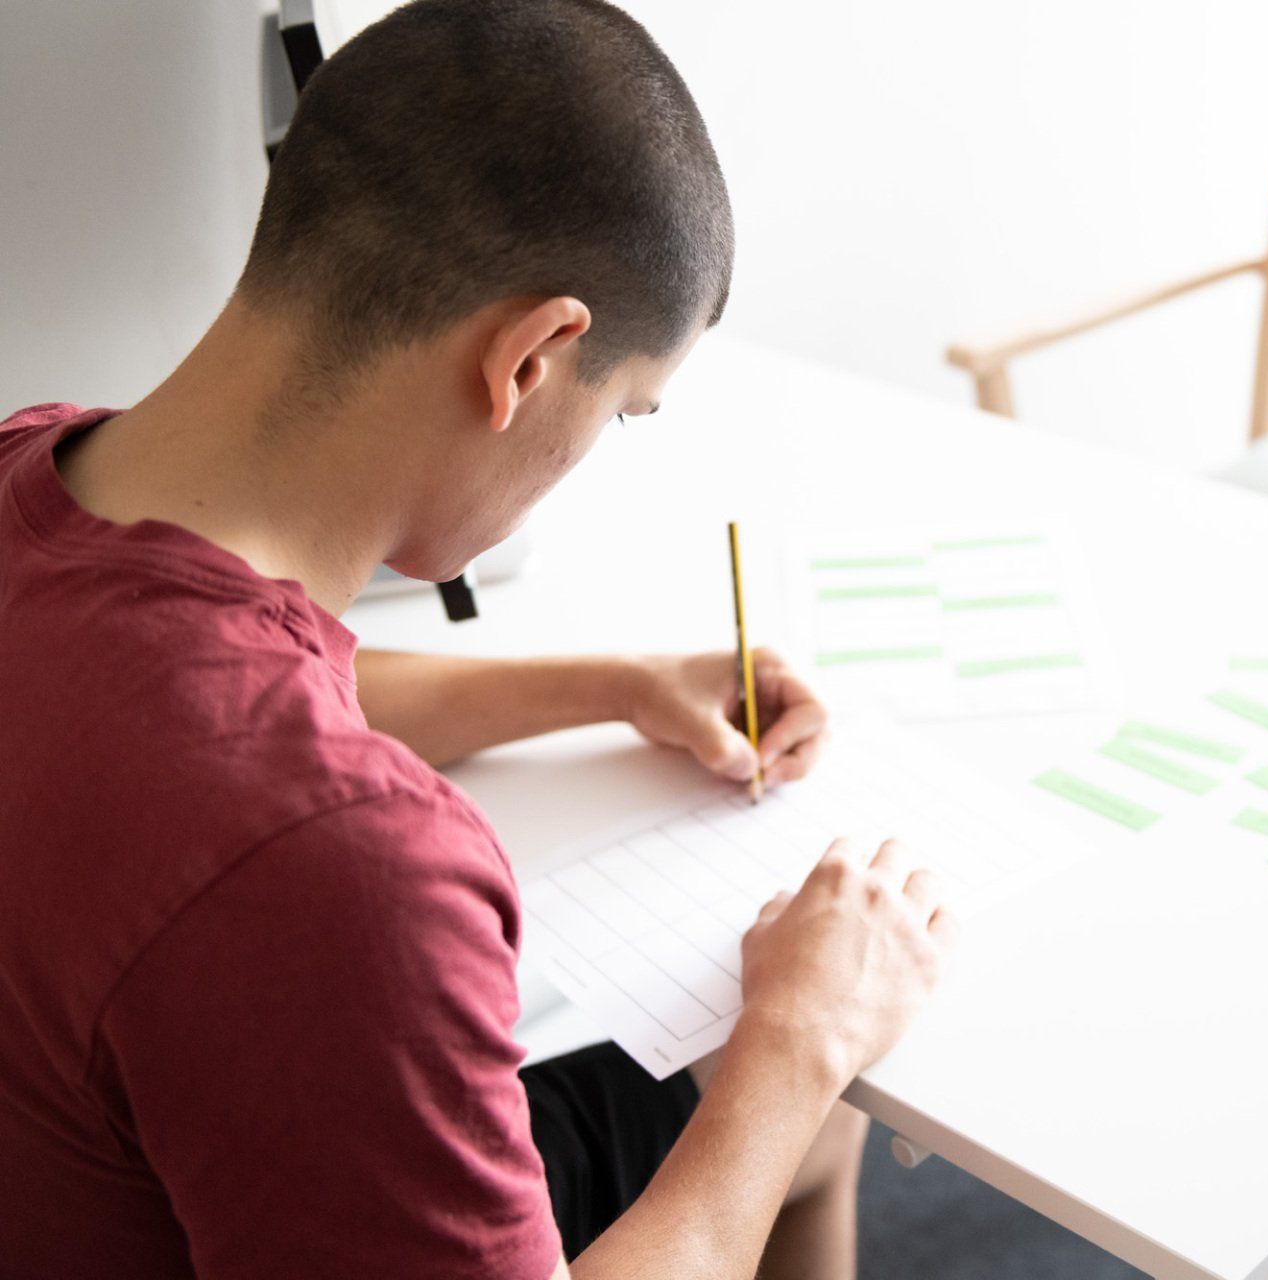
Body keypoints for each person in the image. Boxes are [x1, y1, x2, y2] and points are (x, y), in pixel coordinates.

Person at [0, 1, 957, 1277]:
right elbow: (274, 800)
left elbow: (214, 699)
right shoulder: (346, 871)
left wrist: (605, 685)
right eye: (622, 412)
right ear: (534, 356)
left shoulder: (40, 465)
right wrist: (801, 1033)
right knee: (798, 1113)